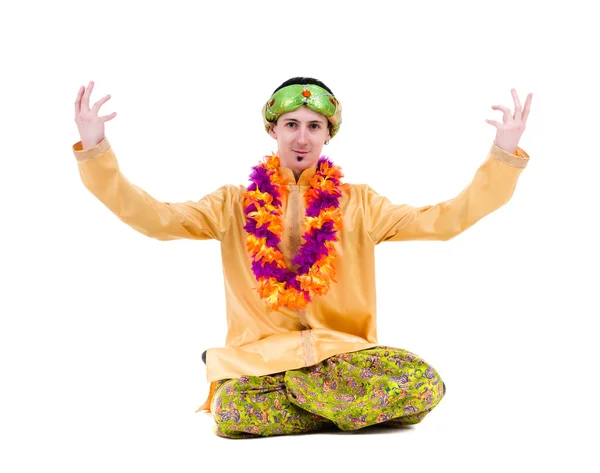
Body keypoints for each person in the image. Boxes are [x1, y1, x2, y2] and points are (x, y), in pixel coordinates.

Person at [72, 77, 532, 438]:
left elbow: (446, 220)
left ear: (328, 134)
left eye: (315, 126)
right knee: (231, 409)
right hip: (260, 363)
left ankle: (308, 407)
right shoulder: (232, 205)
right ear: (273, 129)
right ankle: (345, 412)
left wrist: (503, 155)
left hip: (343, 357)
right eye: (292, 124)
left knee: (424, 382)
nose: (302, 137)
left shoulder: (361, 204)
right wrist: (96, 151)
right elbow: (154, 218)